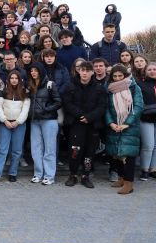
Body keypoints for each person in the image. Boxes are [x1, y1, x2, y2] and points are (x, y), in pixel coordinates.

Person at [62, 61, 108, 188]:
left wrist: (89, 117)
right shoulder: (70, 86)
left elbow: (102, 106)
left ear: (92, 72)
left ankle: (85, 175)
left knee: (89, 152)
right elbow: (67, 103)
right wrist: (80, 115)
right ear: (79, 71)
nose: (85, 73)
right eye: (83, 70)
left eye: (88, 71)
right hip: (76, 124)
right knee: (74, 151)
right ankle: (73, 175)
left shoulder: (99, 88)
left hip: (92, 124)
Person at [0, 71, 30, 184]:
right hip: (5, 124)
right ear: (8, 80)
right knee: (2, 150)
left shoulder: (24, 93)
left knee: (17, 150)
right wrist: (4, 120)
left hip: (19, 125)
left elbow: (25, 109)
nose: (14, 80)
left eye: (16, 78)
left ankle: (13, 173)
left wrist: (18, 121)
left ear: (19, 80)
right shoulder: (2, 92)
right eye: (12, 78)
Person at [106, 64, 144, 195]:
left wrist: (126, 123)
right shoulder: (109, 89)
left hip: (130, 126)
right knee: (116, 154)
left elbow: (138, 106)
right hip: (114, 126)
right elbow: (106, 108)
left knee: (129, 154)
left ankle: (129, 183)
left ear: (125, 75)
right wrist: (111, 123)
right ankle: (121, 179)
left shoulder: (134, 88)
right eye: (114, 76)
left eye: (120, 76)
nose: (117, 78)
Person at [28, 62, 62, 185]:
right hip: (34, 120)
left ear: (41, 71)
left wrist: (45, 109)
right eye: (31, 71)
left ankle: (49, 176)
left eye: (35, 70)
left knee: (49, 149)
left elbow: (58, 102)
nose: (33, 73)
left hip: (49, 120)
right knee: (36, 149)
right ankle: (38, 173)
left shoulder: (50, 84)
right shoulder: (30, 86)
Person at [138, 62, 156, 180]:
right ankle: (144, 169)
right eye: (149, 69)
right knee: (148, 145)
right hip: (146, 118)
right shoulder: (141, 84)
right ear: (145, 71)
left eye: (155, 69)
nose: (152, 71)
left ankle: (153, 169)